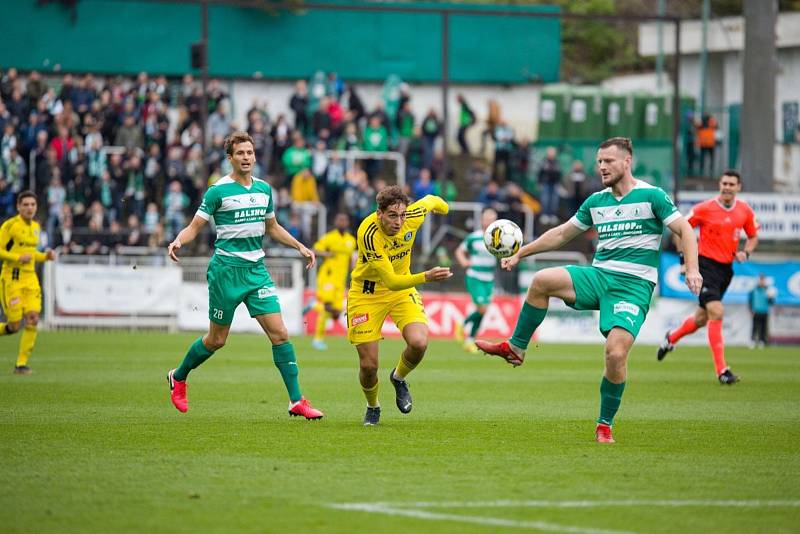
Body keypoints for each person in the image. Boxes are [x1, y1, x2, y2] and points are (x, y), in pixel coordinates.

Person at [476, 138, 702, 444]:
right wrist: (520, 253)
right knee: (541, 281)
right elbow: (560, 234)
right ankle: (517, 347)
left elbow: (686, 230)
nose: (602, 167)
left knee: (615, 354)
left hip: (633, 287)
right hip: (598, 275)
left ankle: (604, 424)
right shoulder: (596, 201)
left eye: (608, 161)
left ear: (627, 162)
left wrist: (692, 268)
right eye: (599, 162)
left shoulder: (652, 195)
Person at [166, 132, 324, 420]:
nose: (247, 157)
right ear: (230, 158)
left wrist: (300, 246)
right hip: (226, 271)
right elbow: (195, 227)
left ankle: (296, 400)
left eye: (250, 152)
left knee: (280, 334)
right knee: (216, 340)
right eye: (241, 153)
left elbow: (273, 227)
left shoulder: (264, 189)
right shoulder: (217, 191)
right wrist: (179, 240)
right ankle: (178, 376)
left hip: (256, 271)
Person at [348, 185, 452, 425]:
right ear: (379, 214)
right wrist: (426, 276)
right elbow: (391, 281)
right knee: (369, 365)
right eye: (392, 215)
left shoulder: (412, 217)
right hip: (367, 295)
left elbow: (433, 200)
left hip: (402, 291)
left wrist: (444, 209)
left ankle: (398, 377)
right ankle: (373, 406)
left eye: (402, 215)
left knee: (419, 342)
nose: (399, 221)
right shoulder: (368, 233)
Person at [657, 170, 758, 384]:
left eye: (732, 184)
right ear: (719, 185)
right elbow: (680, 230)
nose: (727, 187)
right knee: (716, 310)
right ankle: (722, 371)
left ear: (739, 187)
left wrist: (746, 252)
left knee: (702, 318)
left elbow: (753, 236)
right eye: (724, 183)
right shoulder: (704, 208)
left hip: (726, 270)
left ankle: (671, 338)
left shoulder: (744, 211)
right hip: (704, 265)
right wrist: (684, 261)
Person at [0, 191, 57, 374]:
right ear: (18, 206)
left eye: (33, 204)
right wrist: (17, 257)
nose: (29, 208)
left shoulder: (36, 227)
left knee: (32, 318)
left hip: (30, 279)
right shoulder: (10, 226)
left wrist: (45, 256)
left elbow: (32, 255)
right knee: (14, 326)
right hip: (12, 278)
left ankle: (21, 364)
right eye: (25, 204)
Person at [310, 212, 357, 350]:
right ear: (336, 222)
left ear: (348, 223)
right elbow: (315, 250)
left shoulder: (351, 240)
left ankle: (313, 305)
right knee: (328, 307)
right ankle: (318, 339)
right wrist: (327, 254)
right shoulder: (329, 238)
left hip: (340, 279)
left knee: (336, 313)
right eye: (340, 220)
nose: (342, 222)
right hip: (328, 277)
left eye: (345, 220)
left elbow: (351, 260)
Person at [454, 208, 498, 353]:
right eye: (486, 219)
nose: (488, 221)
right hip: (475, 276)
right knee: (482, 308)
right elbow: (459, 251)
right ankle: (463, 324)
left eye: (492, 219)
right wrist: (464, 262)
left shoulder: (499, 239)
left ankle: (469, 340)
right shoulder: (474, 237)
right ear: (482, 220)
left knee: (483, 311)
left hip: (489, 278)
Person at [748, 274, 774, 348]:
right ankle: (752, 341)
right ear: (758, 280)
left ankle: (762, 341)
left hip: (765, 311)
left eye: (763, 280)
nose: (762, 281)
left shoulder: (768, 290)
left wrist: (770, 297)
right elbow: (750, 300)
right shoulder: (754, 290)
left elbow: (771, 302)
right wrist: (751, 309)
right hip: (756, 311)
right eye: (760, 279)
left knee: (763, 327)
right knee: (755, 327)